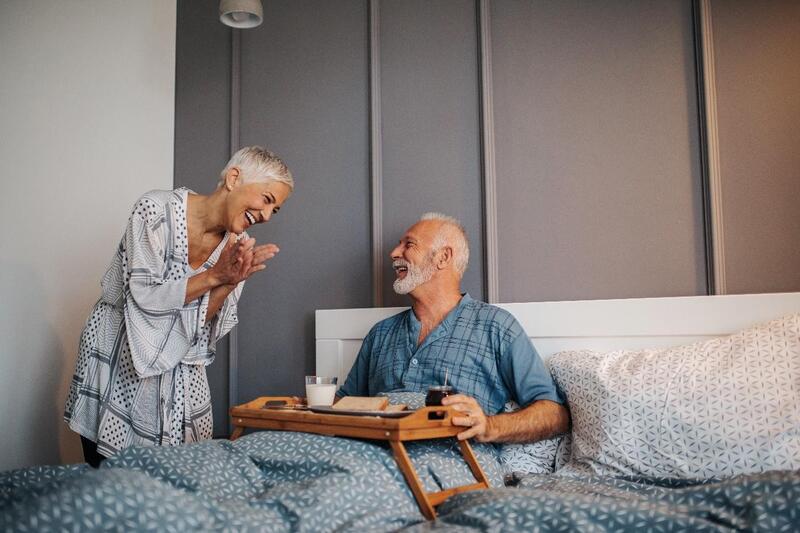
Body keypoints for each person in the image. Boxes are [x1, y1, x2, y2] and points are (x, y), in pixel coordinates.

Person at [64, 146, 293, 466]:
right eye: (267, 200)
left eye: (275, 210)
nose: (267, 216)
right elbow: (143, 296)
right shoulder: (154, 210)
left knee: (179, 471)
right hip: (117, 349)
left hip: (176, 359)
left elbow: (200, 323)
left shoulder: (235, 250)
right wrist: (216, 275)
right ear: (234, 177)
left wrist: (229, 281)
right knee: (106, 472)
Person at [337, 213, 569, 444]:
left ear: (443, 257)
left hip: (451, 458)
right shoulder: (380, 333)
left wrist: (489, 426)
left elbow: (554, 413)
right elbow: (341, 406)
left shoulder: (497, 327)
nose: (394, 253)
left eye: (409, 244)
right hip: (372, 453)